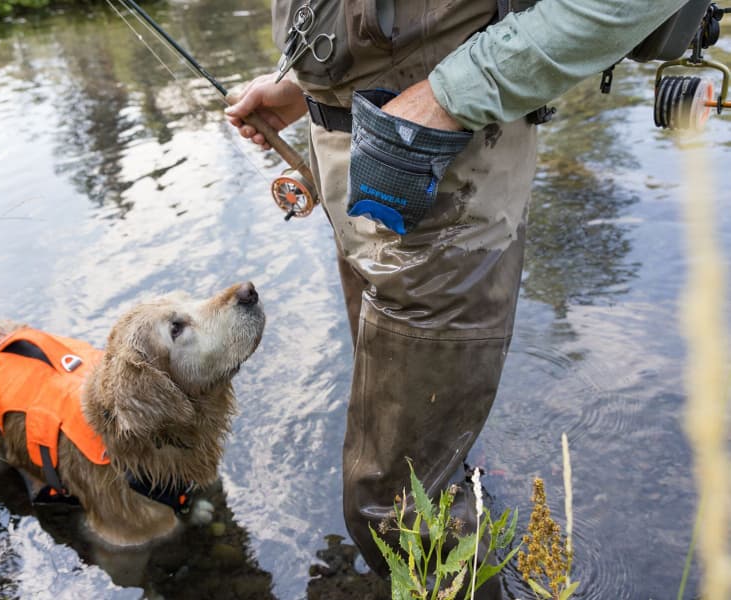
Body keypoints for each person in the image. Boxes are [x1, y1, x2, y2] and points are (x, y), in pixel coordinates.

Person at [226, 0, 689, 594]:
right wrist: (307, 78)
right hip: (350, 151)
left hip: (451, 166)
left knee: (392, 511)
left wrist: (451, 95)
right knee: (416, 459)